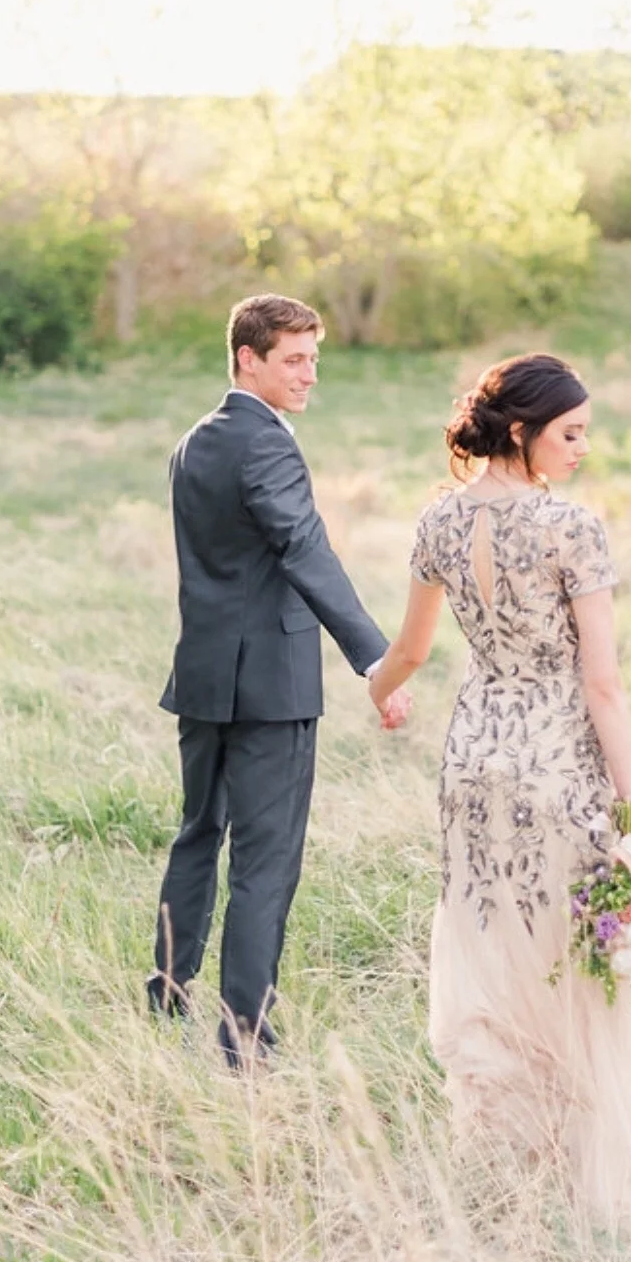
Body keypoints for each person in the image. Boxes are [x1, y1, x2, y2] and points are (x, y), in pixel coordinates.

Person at [369, 353, 631, 1239]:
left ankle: (507, 1160)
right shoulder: (572, 529)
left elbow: (412, 653)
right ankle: (587, 1167)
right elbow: (602, 685)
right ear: (520, 430)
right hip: (553, 764)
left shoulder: (438, 523)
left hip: (471, 762)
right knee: (569, 960)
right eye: (570, 433)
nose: (582, 449)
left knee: (489, 941)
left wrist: (377, 692)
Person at [150, 293, 410, 1066]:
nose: (309, 375)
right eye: (294, 360)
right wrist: (377, 659)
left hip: (204, 676)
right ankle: (245, 1040)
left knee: (199, 835)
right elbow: (305, 551)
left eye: (314, 359)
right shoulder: (267, 445)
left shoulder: (193, 443)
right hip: (270, 686)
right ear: (247, 359)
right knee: (265, 861)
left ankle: (168, 994)